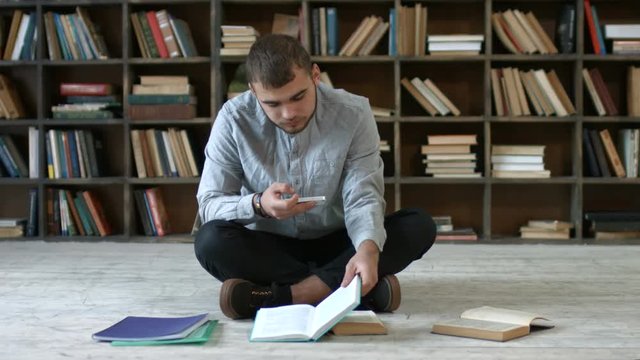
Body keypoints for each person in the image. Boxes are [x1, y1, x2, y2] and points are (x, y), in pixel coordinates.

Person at [195, 34, 436, 320]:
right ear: (253, 91)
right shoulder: (233, 118)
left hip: (339, 240)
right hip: (271, 248)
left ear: (315, 75)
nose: (289, 113)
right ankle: (352, 290)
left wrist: (368, 250)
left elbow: (363, 195)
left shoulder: (354, 112)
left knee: (418, 226)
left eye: (298, 96)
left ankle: (285, 296)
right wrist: (259, 204)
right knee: (210, 241)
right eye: (272, 104)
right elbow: (210, 204)